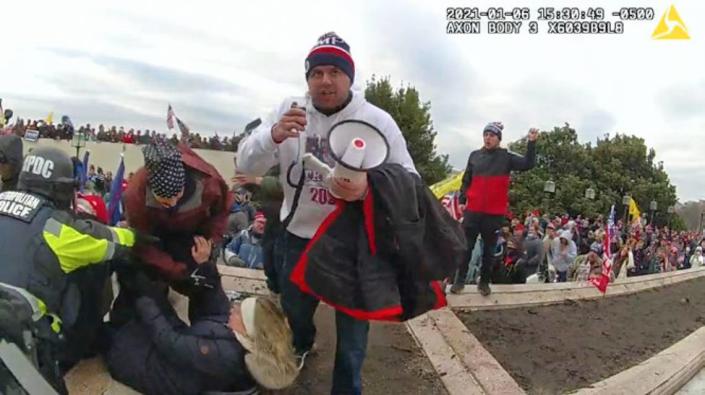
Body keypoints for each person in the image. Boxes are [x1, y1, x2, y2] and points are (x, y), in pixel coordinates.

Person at [236, 32, 418, 394]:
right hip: (299, 237)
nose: (325, 81)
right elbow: (244, 161)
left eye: (335, 71)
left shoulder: (376, 119)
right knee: (296, 314)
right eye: (316, 73)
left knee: (352, 339)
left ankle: (346, 388)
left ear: (350, 77)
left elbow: (410, 179)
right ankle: (303, 346)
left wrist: (369, 186)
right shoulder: (290, 109)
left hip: (355, 247)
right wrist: (272, 135)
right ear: (307, 79)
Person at [0, 147, 140, 394]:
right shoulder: (59, 228)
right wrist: (141, 235)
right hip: (22, 342)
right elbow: (117, 242)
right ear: (61, 189)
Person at [106, 264, 298, 394]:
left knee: (114, 333)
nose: (234, 308)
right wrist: (207, 267)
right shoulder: (244, 339)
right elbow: (218, 307)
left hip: (153, 371)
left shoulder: (226, 356)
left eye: (240, 311)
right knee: (146, 291)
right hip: (179, 356)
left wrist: (145, 298)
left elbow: (169, 342)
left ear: (249, 329)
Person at [452, 122, 538, 295]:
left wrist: (531, 143)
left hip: (493, 213)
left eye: (492, 135)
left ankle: (484, 282)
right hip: (473, 211)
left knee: (489, 251)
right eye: (485, 135)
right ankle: (459, 281)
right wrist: (462, 200)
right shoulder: (474, 156)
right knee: (466, 247)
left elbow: (528, 163)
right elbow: (466, 180)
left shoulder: (506, 157)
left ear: (499, 139)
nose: (487, 138)